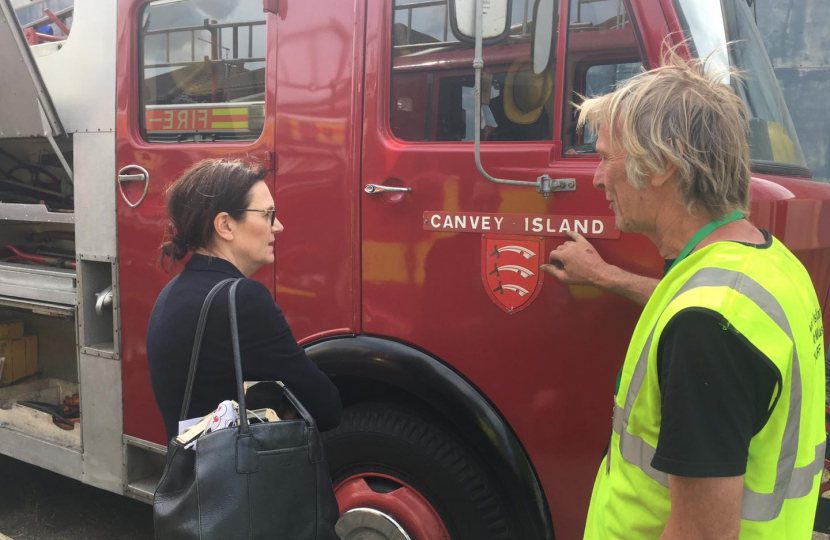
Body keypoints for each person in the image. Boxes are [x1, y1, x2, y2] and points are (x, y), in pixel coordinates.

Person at [540, 49, 825, 539]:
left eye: (607, 157)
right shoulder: (771, 265)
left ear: (661, 166)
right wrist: (608, 277)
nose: (596, 177)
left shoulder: (705, 329)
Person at [146, 158, 342, 444]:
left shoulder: (173, 291)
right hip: (241, 482)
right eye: (268, 214)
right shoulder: (242, 299)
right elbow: (326, 409)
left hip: (199, 479)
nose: (279, 227)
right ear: (225, 225)